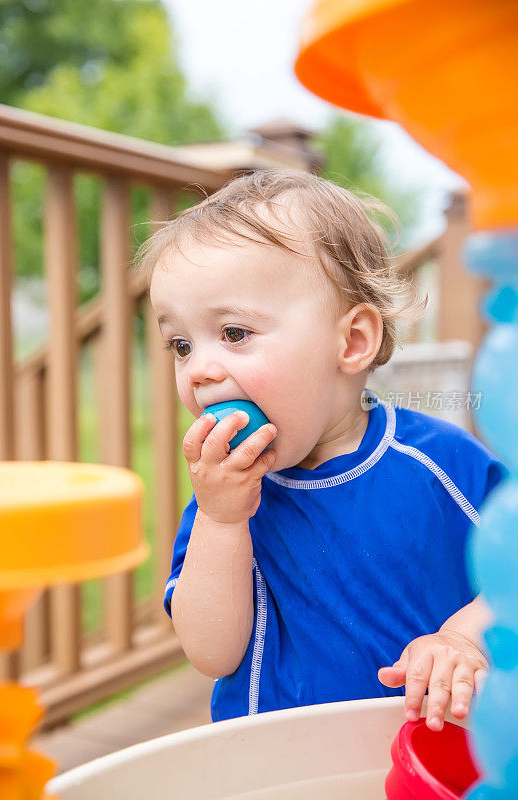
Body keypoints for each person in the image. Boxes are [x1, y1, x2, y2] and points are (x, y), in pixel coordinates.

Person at [139, 169, 507, 731]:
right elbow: (212, 653)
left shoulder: (440, 464)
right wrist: (220, 521)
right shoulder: (225, 503)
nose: (201, 371)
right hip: (278, 770)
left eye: (235, 333)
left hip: (432, 758)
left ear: (352, 341)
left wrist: (464, 638)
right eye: (181, 344)